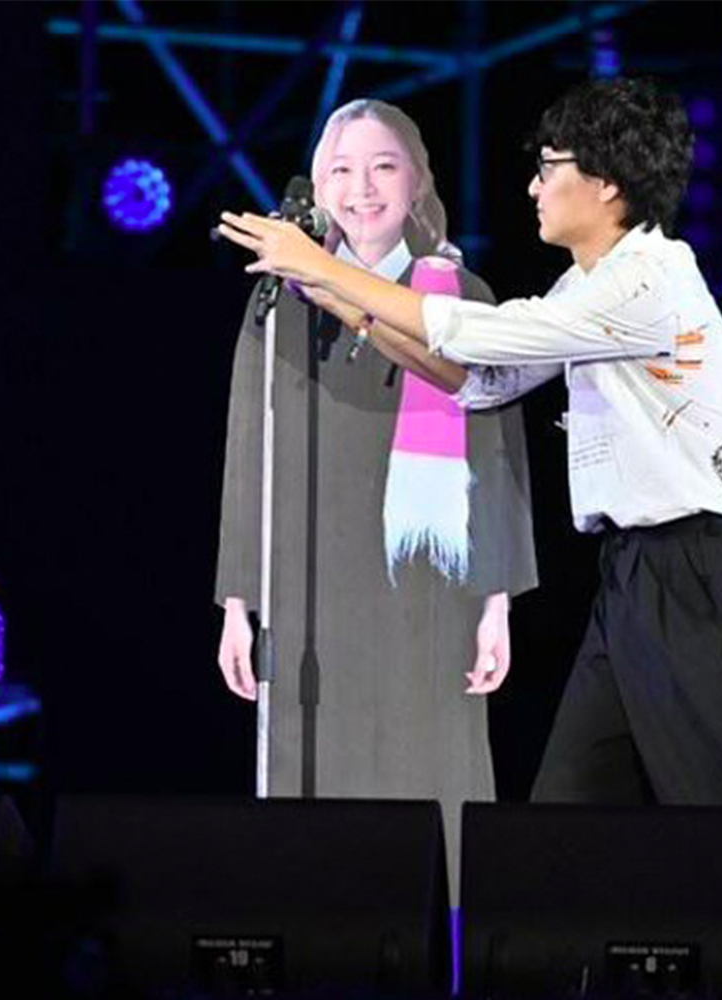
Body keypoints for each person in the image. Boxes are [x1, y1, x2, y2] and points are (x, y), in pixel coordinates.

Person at [217, 77, 722, 810]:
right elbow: (483, 382)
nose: (532, 188)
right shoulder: (586, 286)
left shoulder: (645, 284)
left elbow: (476, 333)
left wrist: (323, 264)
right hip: (632, 573)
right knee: (566, 814)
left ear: (606, 184)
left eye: (548, 168)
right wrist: (342, 301)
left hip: (702, 570)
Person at [214, 99, 537, 894]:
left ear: (417, 181)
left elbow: (496, 448)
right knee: (313, 798)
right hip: (309, 585)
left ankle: (436, 938)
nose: (361, 189)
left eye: (383, 167)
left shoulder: (457, 294)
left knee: (428, 785)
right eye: (341, 170)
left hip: (426, 585)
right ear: (318, 187)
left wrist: (496, 601)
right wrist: (237, 603)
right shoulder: (280, 299)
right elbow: (250, 448)